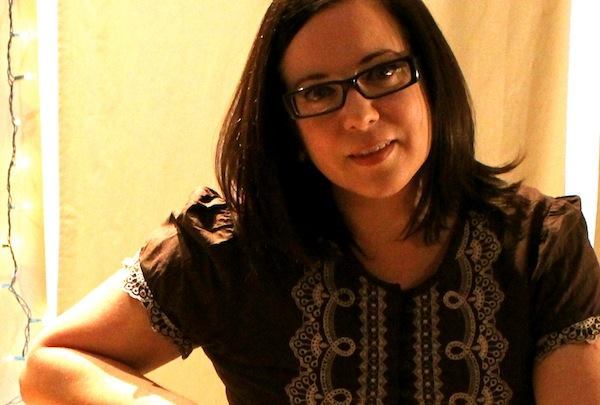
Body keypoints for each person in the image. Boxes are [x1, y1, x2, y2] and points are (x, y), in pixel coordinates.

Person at [19, 0, 600, 403]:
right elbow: (52, 363)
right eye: (319, 92)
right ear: (288, 125)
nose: (361, 115)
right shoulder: (233, 249)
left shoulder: (541, 246)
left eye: (383, 72)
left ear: (430, 77)